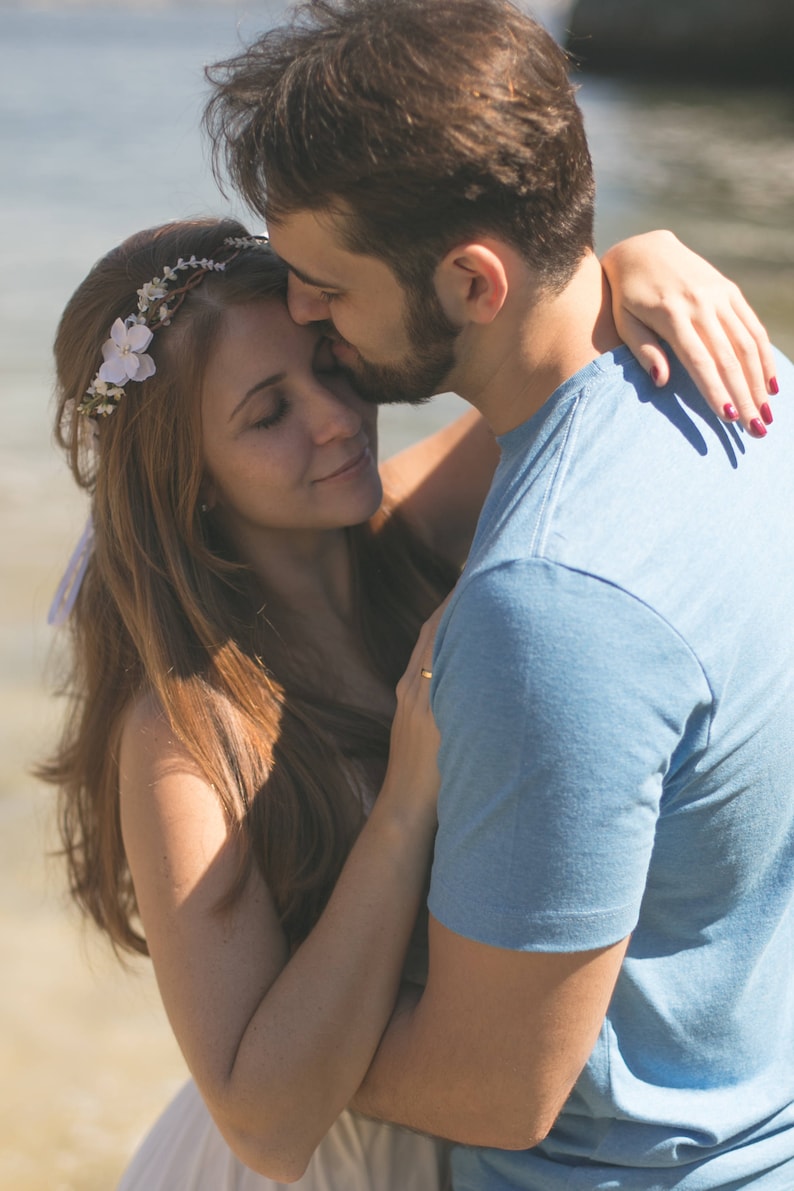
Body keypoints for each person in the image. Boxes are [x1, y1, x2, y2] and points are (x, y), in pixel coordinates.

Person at [44, 206, 778, 1191]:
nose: (334, 420)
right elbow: (260, 1123)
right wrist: (403, 804)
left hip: (487, 1145)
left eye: (330, 365)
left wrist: (642, 261)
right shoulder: (184, 736)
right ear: (190, 480)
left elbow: (550, 346)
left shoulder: (408, 532)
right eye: (267, 414)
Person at [203, 1, 794, 1188]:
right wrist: (624, 257)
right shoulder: (749, 381)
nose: (304, 312)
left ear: (473, 283)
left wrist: (253, 1062)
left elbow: (494, 1087)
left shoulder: (546, 605)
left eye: (325, 284)